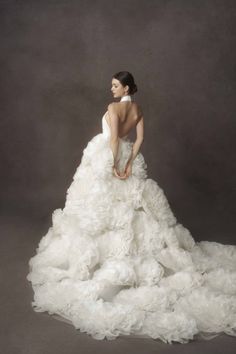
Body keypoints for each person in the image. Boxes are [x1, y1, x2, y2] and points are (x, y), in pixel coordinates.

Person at [27, 71, 236, 343]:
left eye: (115, 84)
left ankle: (106, 262)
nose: (111, 88)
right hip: (127, 159)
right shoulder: (137, 109)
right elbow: (138, 140)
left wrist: (114, 166)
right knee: (133, 209)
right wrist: (128, 164)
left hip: (109, 158)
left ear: (125, 86)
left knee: (100, 210)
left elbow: (113, 139)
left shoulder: (113, 108)